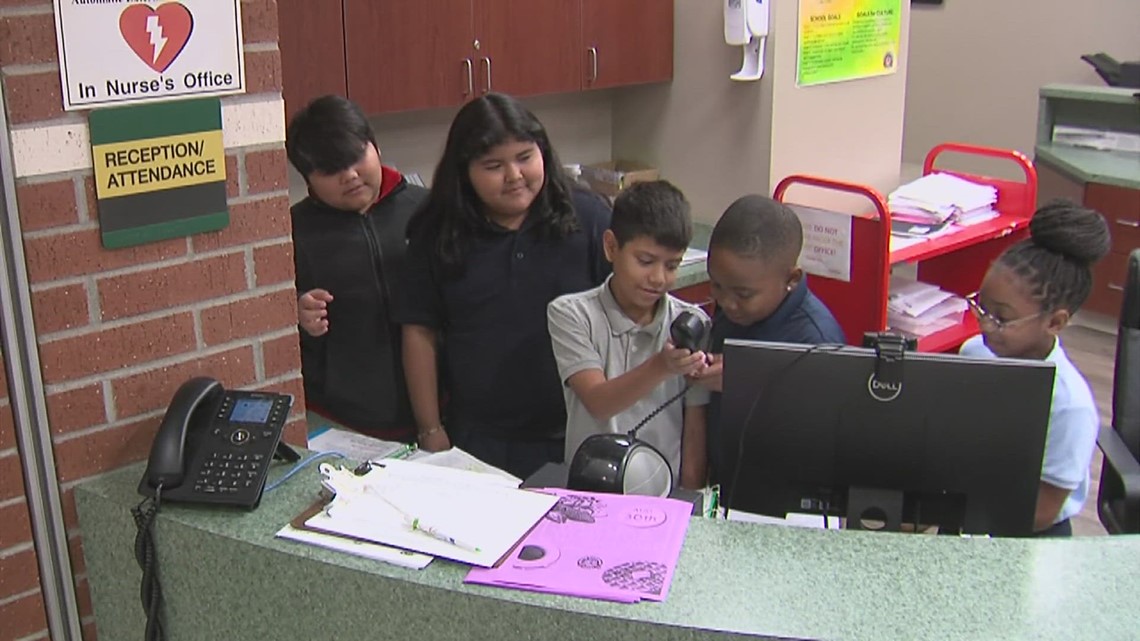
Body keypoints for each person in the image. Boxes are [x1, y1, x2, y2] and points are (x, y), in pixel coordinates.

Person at [397, 92, 611, 480]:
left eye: (525, 157)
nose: (514, 176)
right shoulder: (437, 234)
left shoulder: (589, 217)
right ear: (465, 172)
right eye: (494, 165)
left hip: (579, 433)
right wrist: (430, 430)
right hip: (478, 439)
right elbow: (418, 332)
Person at [958, 199, 1110, 537]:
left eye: (1002, 318)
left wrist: (964, 521)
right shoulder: (975, 353)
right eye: (981, 308)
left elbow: (1042, 511)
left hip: (1031, 536)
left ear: (1055, 322)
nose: (985, 325)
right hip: (972, 513)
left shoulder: (1070, 405)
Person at [548, 180, 710, 489]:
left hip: (663, 492)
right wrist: (662, 366)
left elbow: (694, 428)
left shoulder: (692, 322)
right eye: (645, 261)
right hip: (590, 488)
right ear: (611, 247)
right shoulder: (571, 315)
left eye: (672, 265)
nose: (659, 278)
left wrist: (691, 498)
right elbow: (599, 402)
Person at [286, 95, 427, 441]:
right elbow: (270, 334)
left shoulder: (428, 210)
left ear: (374, 147)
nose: (349, 175)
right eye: (331, 170)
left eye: (355, 158)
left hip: (441, 410)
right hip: (343, 422)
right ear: (308, 180)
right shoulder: (292, 234)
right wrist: (297, 318)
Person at [689, 194, 845, 484]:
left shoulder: (818, 338)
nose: (726, 302)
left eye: (743, 294)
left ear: (792, 279)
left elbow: (828, 431)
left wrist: (747, 380)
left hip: (784, 492)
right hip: (726, 478)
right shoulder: (733, 310)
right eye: (717, 286)